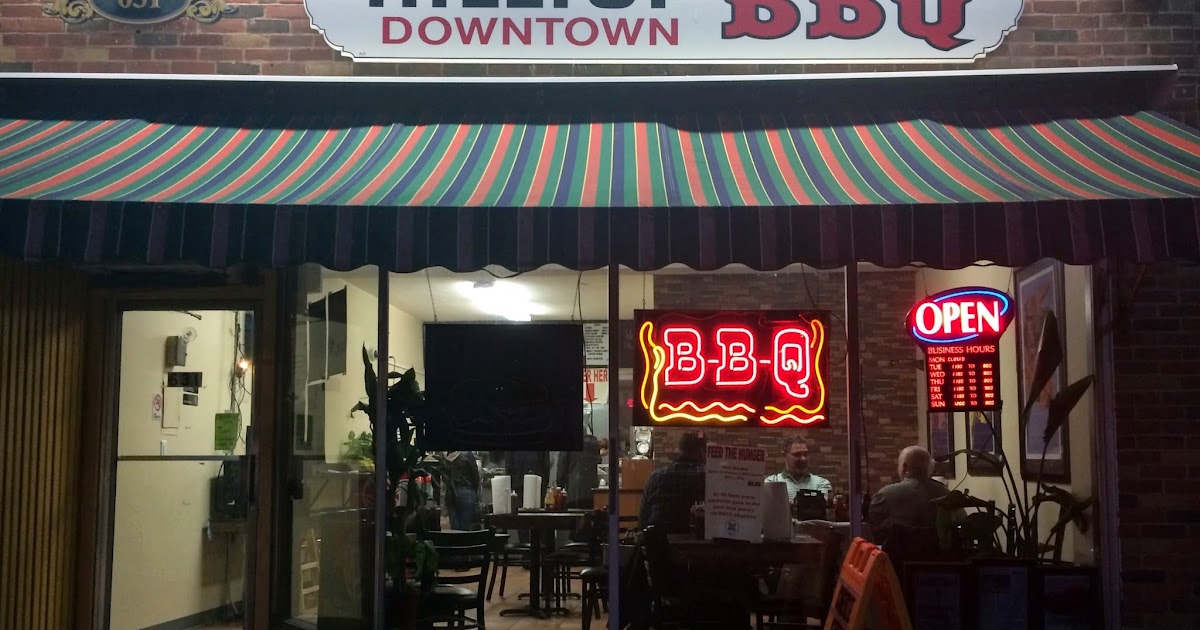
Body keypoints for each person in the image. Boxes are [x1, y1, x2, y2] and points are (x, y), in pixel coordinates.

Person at [868, 445, 952, 546]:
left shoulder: (885, 494)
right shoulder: (947, 494)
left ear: (904, 467)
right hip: (940, 554)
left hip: (897, 554)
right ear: (930, 468)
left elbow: (873, 532)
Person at [638, 431, 706, 533]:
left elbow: (643, 520)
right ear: (701, 451)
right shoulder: (708, 478)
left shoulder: (656, 477)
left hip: (659, 539)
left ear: (680, 449)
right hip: (696, 541)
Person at [765, 437, 833, 501]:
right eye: (797, 454)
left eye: (805, 454)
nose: (803, 459)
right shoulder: (771, 482)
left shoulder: (821, 483)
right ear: (784, 456)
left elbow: (822, 507)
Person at [445, 451, 481, 530]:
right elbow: (475, 476)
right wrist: (474, 492)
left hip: (450, 493)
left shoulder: (444, 456)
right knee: (465, 527)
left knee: (455, 528)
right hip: (466, 491)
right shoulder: (467, 454)